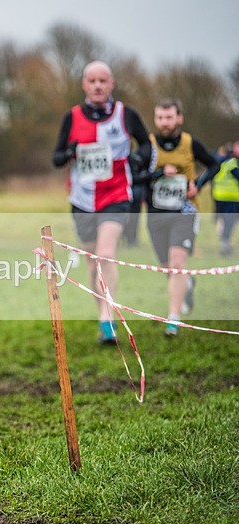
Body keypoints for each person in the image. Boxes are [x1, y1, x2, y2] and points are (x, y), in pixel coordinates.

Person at [52, 60, 151, 345]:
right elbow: (56, 158)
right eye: (92, 81)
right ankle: (104, 319)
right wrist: (70, 151)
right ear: (84, 84)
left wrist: (137, 158)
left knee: (106, 255)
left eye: (103, 81)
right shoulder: (71, 117)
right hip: (82, 200)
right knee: (93, 262)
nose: (97, 86)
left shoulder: (125, 114)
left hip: (117, 196)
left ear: (112, 84)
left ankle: (108, 320)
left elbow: (146, 145)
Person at [142, 99, 219, 335]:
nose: (164, 122)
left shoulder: (190, 142)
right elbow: (136, 174)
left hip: (184, 212)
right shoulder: (149, 145)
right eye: (160, 118)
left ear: (179, 118)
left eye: (169, 117)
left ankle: (173, 320)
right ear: (155, 119)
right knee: (167, 267)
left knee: (177, 264)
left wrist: (199, 183)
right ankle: (188, 283)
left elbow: (214, 164)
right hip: (156, 213)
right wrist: (157, 173)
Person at [198, 141, 239, 257]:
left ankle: (223, 237)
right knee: (229, 221)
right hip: (230, 197)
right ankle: (225, 243)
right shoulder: (232, 164)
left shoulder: (220, 162)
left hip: (219, 195)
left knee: (224, 219)